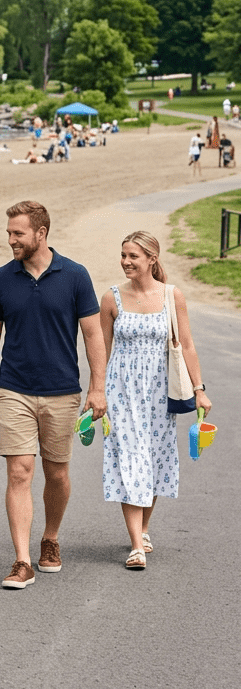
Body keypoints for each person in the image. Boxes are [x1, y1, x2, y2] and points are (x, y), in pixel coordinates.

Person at [0, 201, 106, 589]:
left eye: (18, 234)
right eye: (9, 232)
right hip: (14, 389)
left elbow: (93, 334)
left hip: (63, 392)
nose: (10, 239)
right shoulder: (1, 279)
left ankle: (51, 538)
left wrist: (98, 387)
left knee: (57, 472)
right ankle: (22, 560)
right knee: (19, 471)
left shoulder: (75, 276)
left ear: (40, 234)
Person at [99, 231, 211, 570]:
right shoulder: (111, 298)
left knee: (156, 459)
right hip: (121, 391)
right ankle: (136, 545)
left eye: (133, 255)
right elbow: (101, 352)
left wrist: (199, 388)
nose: (126, 261)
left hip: (161, 392)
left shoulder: (171, 296)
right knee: (130, 460)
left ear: (152, 259)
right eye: (123, 255)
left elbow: (186, 345)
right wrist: (96, 392)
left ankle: (144, 528)